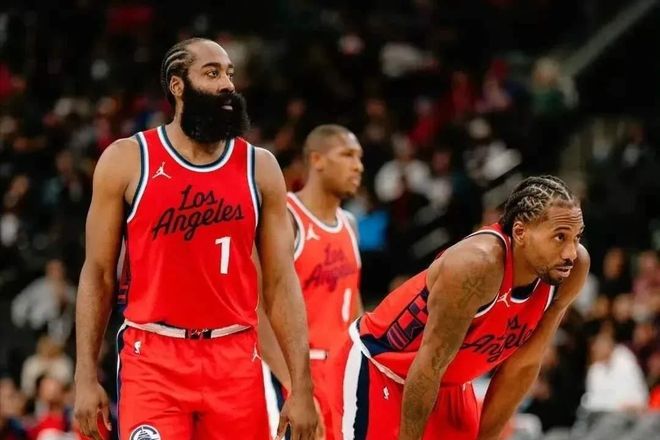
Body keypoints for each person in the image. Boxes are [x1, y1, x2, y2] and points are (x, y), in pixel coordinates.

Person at [73, 37, 318, 440]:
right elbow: (98, 273)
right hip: (153, 357)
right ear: (177, 85)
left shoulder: (260, 167)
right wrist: (85, 376)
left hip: (234, 356)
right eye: (212, 73)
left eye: (229, 74)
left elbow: (280, 281)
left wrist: (301, 386)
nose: (227, 84)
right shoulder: (127, 159)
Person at [328, 175, 590, 440]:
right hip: (381, 368)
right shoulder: (477, 265)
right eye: (559, 237)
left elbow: (521, 367)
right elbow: (429, 366)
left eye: (577, 237)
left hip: (448, 384)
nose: (570, 252)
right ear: (520, 232)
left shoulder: (571, 269)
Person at [261, 125, 364, 440]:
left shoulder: (349, 223)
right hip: (295, 371)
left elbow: (353, 304)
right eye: (347, 155)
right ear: (317, 160)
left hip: (341, 374)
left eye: (359, 157)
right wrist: (296, 388)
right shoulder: (285, 217)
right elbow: (258, 311)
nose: (358, 166)